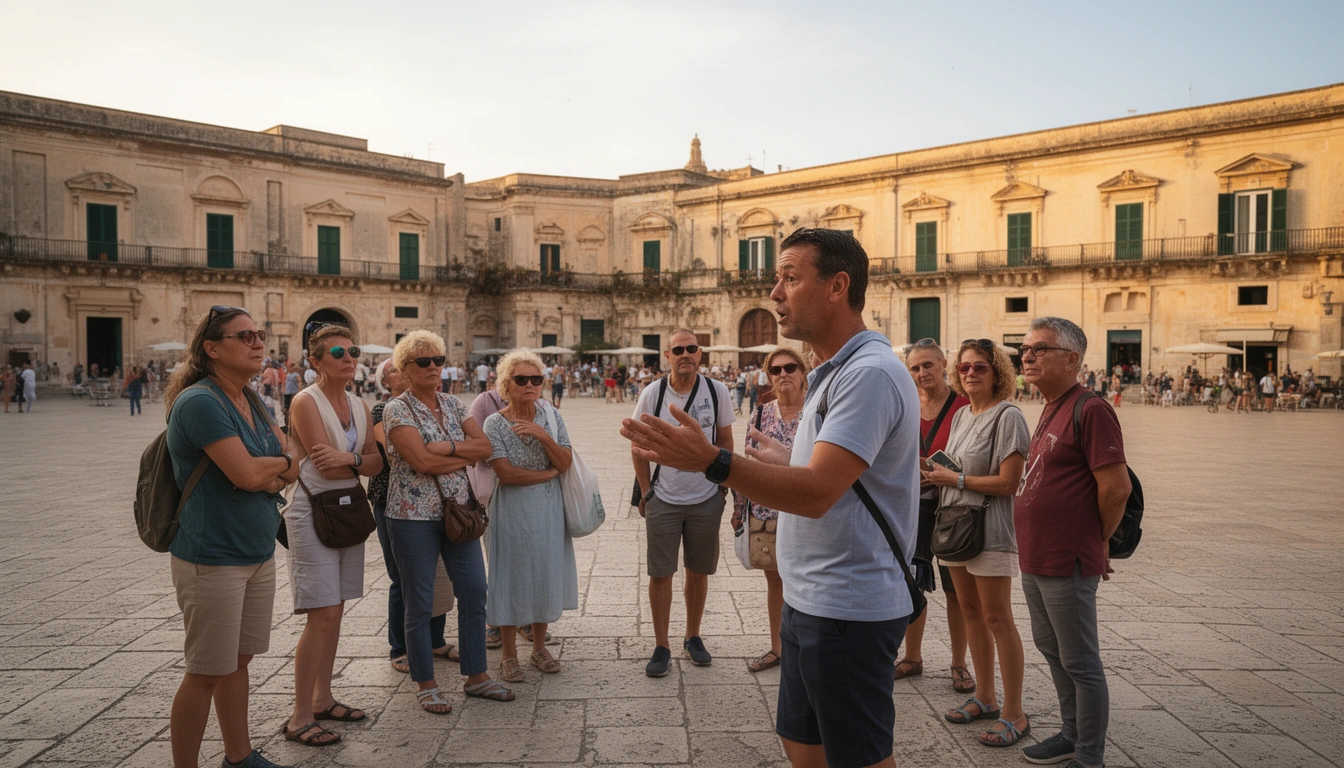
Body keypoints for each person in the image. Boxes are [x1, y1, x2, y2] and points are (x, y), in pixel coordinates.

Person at [622, 228, 920, 768]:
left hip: (848, 606)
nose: (775, 293)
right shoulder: (835, 373)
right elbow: (832, 476)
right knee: (802, 743)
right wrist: (777, 464)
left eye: (789, 277)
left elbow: (817, 493)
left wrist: (712, 461)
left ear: (838, 286)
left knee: (858, 756)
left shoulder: (870, 374)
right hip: (811, 598)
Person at [164, 306, 299, 768]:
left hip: (256, 551)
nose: (258, 342)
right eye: (245, 336)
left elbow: (292, 460)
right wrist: (274, 468)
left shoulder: (254, 399)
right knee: (204, 672)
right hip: (212, 556)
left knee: (238, 662)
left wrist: (273, 469)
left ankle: (238, 757)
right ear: (213, 348)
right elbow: (245, 473)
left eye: (259, 334)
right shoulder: (201, 402)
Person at [1015, 316, 1131, 768]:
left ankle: (1089, 754)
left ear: (1072, 359)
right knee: (1053, 650)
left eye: (1040, 349)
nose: (1028, 356)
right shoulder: (1050, 405)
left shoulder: (1092, 408)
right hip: (1035, 555)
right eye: (1026, 349)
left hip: (1068, 559)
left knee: (1080, 660)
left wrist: (1096, 542)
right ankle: (1070, 733)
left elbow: (1116, 487)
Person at [384, 330, 514, 712]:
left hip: (458, 512)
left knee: (475, 590)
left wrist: (447, 448)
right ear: (404, 369)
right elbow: (420, 462)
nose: (433, 367)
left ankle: (477, 676)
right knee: (420, 601)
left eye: (438, 360)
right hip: (411, 516)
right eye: (423, 361)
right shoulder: (397, 409)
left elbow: (486, 448)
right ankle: (426, 682)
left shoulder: (454, 405)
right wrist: (461, 454)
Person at [922, 339, 1032, 747]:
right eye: (965, 367)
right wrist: (932, 472)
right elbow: (952, 468)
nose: (970, 373)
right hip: (955, 526)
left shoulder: (1009, 416)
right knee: (969, 611)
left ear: (997, 372)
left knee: (998, 618)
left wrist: (957, 479)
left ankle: (1014, 713)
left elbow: (1009, 482)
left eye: (980, 367)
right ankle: (984, 697)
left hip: (988, 528)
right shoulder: (963, 416)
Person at [282, 324, 383, 746]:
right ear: (316, 361)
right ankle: (299, 715)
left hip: (347, 510)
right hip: (312, 512)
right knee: (321, 614)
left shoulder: (360, 405)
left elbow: (376, 465)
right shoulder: (306, 401)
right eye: (338, 351)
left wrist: (350, 458)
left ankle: (323, 698)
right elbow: (326, 466)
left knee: (336, 612)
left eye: (353, 350)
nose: (349, 357)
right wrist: (356, 459)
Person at [631, 329, 735, 677]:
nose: (686, 354)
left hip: (706, 497)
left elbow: (725, 442)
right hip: (665, 496)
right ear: (668, 355)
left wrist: (722, 490)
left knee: (699, 571)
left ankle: (693, 636)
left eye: (692, 348)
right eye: (679, 349)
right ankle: (662, 644)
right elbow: (636, 444)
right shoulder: (652, 393)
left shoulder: (717, 392)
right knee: (661, 573)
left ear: (700, 353)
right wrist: (647, 491)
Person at [482, 350, 577, 681]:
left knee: (544, 573)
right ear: (506, 385)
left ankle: (538, 647)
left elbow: (565, 463)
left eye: (536, 380)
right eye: (521, 380)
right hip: (511, 508)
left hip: (549, 509)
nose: (529, 386)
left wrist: (542, 436)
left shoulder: (551, 418)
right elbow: (505, 474)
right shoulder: (493, 423)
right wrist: (546, 475)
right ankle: (509, 654)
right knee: (508, 575)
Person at [371, 360, 458, 674]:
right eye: (395, 369)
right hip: (393, 501)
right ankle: (400, 647)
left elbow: (473, 447)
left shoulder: (433, 407)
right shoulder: (383, 411)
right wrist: (454, 454)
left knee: (437, 574)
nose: (402, 372)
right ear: (387, 379)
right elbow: (402, 449)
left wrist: (437, 453)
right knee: (402, 577)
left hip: (436, 500)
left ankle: (435, 639)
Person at [896, 338, 973, 695]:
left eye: (928, 365)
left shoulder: (964, 408)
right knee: (912, 581)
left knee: (956, 589)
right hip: (912, 506)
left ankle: (959, 662)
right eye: (915, 367)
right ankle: (912, 656)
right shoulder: (904, 403)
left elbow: (973, 457)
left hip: (952, 507)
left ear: (945, 364)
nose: (922, 372)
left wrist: (938, 469)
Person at [732, 347, 807, 673]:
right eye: (776, 370)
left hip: (807, 511)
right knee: (775, 580)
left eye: (791, 367)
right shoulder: (760, 414)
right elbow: (747, 462)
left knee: (805, 581)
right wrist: (739, 507)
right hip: (765, 511)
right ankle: (778, 648)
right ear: (768, 376)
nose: (783, 374)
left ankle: (805, 647)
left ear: (803, 373)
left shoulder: (818, 413)